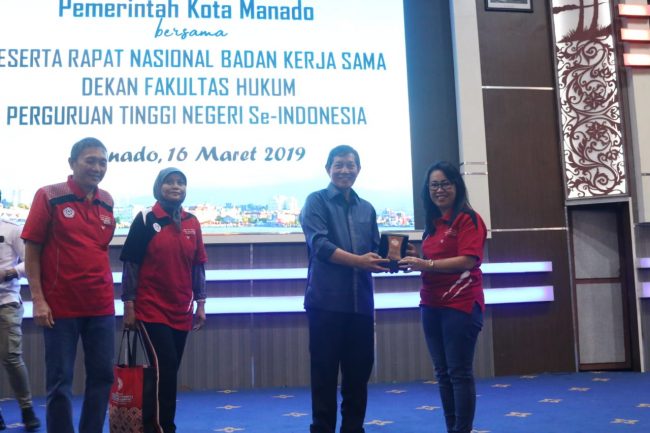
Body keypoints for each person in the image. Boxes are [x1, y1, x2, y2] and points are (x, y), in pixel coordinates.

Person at [22, 137, 116, 433]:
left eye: (103, 162)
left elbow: (99, 249)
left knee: (103, 377)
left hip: (101, 305)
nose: (97, 168)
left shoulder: (107, 200)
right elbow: (32, 251)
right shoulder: (49, 195)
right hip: (60, 307)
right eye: (90, 161)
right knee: (60, 381)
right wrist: (38, 299)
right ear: (72, 163)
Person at [299, 145, 389, 433]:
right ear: (328, 169)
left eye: (350, 165)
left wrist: (397, 257)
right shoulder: (315, 201)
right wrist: (359, 262)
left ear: (358, 169)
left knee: (358, 378)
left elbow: (374, 250)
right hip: (325, 304)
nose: (344, 170)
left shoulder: (367, 208)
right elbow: (320, 245)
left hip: (360, 304)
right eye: (338, 164)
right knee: (323, 376)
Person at [399, 161, 487, 433]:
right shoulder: (432, 224)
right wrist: (417, 258)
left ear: (456, 186)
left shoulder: (468, 218)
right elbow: (434, 261)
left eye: (445, 184)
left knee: (459, 373)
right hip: (431, 304)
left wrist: (425, 264)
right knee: (443, 374)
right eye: (434, 185)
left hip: (460, 304)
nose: (439, 190)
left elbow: (468, 260)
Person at [119, 167, 207, 433]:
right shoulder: (146, 218)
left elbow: (197, 266)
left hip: (182, 310)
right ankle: (163, 428)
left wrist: (201, 303)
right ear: (159, 187)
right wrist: (129, 305)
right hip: (150, 309)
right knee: (164, 369)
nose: (175, 186)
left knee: (167, 372)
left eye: (181, 182)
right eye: (169, 182)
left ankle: (156, 424)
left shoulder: (192, 222)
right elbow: (131, 264)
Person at [0, 191, 41, 431]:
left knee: (11, 357)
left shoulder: (12, 229)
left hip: (6, 302)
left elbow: (31, 261)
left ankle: (27, 409)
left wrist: (9, 273)